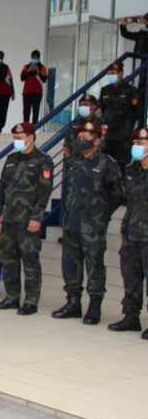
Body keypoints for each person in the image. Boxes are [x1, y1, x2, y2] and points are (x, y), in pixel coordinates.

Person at [53, 121, 124, 324]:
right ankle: (73, 302)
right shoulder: (73, 161)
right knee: (70, 263)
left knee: (95, 266)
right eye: (79, 138)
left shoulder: (106, 163)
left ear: (97, 141)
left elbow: (117, 194)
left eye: (85, 138)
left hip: (93, 225)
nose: (80, 141)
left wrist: (101, 213)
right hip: (72, 223)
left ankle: (94, 307)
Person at [0, 122, 54, 315]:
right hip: (9, 218)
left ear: (31, 138)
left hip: (28, 220)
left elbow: (44, 192)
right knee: (9, 260)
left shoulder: (43, 161)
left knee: (30, 260)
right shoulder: (11, 159)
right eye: (15, 138)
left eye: (19, 138)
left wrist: (37, 217)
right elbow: (2, 188)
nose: (16, 141)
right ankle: (12, 297)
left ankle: (31, 301)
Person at [108, 127, 148, 337]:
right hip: (131, 232)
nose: (137, 147)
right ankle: (131, 317)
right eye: (135, 143)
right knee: (130, 277)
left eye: (141, 143)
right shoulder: (132, 170)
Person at [100, 61, 140, 174]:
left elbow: (136, 111)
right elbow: (103, 109)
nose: (111, 75)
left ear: (120, 73)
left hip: (123, 136)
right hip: (109, 136)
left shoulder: (130, 90)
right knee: (107, 167)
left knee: (123, 167)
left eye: (113, 73)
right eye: (109, 73)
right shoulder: (105, 90)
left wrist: (128, 126)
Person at [120, 12, 148, 126]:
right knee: (141, 93)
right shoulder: (142, 34)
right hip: (144, 65)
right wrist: (123, 25)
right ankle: (141, 123)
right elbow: (126, 34)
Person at [20, 50, 48, 124]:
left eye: (36, 58)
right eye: (33, 57)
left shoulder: (42, 68)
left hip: (37, 92)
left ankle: (34, 126)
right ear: (31, 57)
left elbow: (44, 79)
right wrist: (28, 71)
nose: (35, 59)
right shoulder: (26, 67)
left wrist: (38, 71)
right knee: (26, 110)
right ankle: (26, 125)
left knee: (35, 111)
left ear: (39, 58)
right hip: (27, 92)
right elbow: (22, 78)